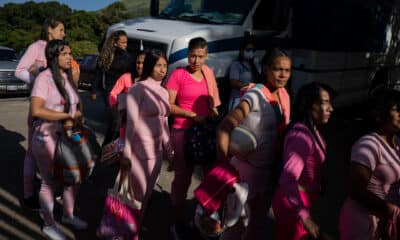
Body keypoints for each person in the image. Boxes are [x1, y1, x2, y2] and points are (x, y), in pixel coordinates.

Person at [217, 48, 291, 240]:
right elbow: (226, 124)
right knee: (234, 226)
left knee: (255, 225)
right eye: (278, 69)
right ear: (266, 69)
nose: (283, 74)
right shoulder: (255, 95)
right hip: (246, 173)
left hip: (269, 174)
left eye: (287, 70)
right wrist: (222, 162)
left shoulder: (284, 96)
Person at [15, 17, 79, 210]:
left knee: (54, 154)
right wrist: (39, 81)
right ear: (49, 31)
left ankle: (48, 189)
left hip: (58, 114)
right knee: (33, 153)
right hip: (42, 112)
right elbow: (19, 71)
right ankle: (29, 195)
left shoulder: (59, 50)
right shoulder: (37, 46)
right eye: (61, 29)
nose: (64, 33)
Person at [30, 39, 87, 240]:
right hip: (46, 138)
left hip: (67, 137)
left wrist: (77, 116)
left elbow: (74, 106)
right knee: (49, 182)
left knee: (74, 177)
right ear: (53, 56)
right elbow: (36, 110)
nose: (69, 57)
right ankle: (48, 224)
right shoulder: (44, 79)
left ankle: (68, 215)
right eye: (65, 54)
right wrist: (66, 117)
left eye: (70, 53)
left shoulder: (65, 76)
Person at [165, 37, 221, 238]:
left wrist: (215, 119)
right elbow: (169, 106)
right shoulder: (178, 75)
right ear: (187, 54)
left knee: (210, 178)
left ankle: (202, 221)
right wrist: (192, 116)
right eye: (192, 55)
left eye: (200, 56)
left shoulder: (209, 74)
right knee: (182, 179)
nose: (196, 60)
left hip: (205, 133)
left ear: (206, 56)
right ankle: (177, 224)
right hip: (182, 132)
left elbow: (214, 105)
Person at [271, 82, 334, 240]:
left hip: (299, 201)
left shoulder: (312, 130)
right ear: (308, 105)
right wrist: (306, 218)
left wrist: (318, 179)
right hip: (293, 204)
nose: (330, 108)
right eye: (324, 103)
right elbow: (287, 179)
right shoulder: (301, 136)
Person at [120, 49, 173, 228]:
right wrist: (126, 153)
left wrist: (170, 150)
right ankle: (126, 232)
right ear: (150, 65)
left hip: (156, 154)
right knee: (136, 198)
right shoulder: (138, 89)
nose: (162, 69)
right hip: (138, 153)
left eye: (165, 66)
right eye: (158, 65)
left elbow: (164, 123)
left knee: (146, 197)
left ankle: (133, 230)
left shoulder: (164, 92)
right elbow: (131, 124)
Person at [339, 87, 400, 240]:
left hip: (383, 223)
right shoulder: (368, 145)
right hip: (363, 224)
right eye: (397, 109)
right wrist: (391, 210)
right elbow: (356, 190)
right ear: (379, 115)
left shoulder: (398, 143)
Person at [92, 30, 133, 146]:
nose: (126, 45)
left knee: (121, 122)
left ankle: (115, 149)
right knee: (116, 121)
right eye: (123, 43)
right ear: (115, 43)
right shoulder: (106, 56)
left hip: (124, 92)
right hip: (110, 92)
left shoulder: (127, 56)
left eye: (126, 42)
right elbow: (98, 73)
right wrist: (94, 90)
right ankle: (106, 148)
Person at [227, 39, 260, 111]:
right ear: (242, 51)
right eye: (248, 50)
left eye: (253, 50)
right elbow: (233, 82)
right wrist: (249, 87)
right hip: (238, 98)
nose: (251, 52)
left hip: (252, 98)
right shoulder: (236, 64)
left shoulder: (255, 65)